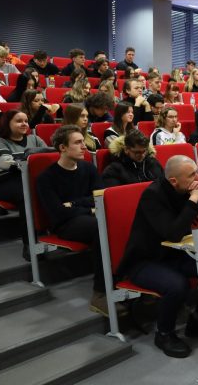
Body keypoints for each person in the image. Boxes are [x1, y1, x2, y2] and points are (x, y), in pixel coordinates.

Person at [117, 155, 198, 358]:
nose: (197, 178)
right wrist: (194, 199)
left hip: (175, 254)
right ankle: (164, 333)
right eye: (191, 175)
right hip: (145, 261)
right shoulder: (153, 195)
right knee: (178, 285)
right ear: (174, 180)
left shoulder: (187, 188)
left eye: (196, 172)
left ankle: (196, 322)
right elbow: (173, 233)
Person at [35, 125, 115, 315]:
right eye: (78, 143)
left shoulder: (88, 168)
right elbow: (58, 213)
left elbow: (99, 196)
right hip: (65, 225)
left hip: (84, 217)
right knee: (100, 227)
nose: (84, 146)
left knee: (114, 224)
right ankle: (100, 293)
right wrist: (89, 208)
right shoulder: (46, 178)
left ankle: (122, 282)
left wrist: (74, 203)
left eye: (83, 142)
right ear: (62, 147)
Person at [0, 111, 48, 255]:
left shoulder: (35, 139)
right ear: (7, 123)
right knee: (27, 193)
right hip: (4, 182)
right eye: (19, 121)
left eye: (26, 121)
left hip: (29, 179)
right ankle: (30, 243)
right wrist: (32, 158)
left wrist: (31, 159)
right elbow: (7, 164)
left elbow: (48, 156)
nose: (24, 124)